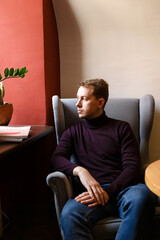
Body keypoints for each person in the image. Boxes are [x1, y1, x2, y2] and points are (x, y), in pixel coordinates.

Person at [51, 79, 156, 240]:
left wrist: (109, 191)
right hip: (91, 193)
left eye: (84, 99)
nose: (77, 104)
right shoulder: (73, 132)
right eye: (77, 98)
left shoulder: (122, 128)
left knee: (141, 198)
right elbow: (57, 158)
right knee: (69, 214)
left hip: (125, 189)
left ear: (100, 102)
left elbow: (132, 168)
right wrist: (80, 171)